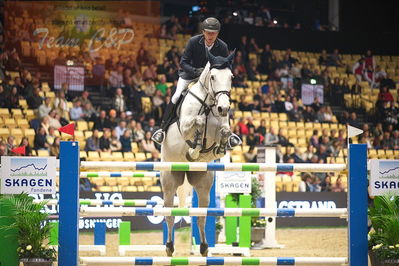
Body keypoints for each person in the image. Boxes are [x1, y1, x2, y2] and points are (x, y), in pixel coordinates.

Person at [151, 17, 241, 148]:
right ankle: (162, 130)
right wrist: (195, 71)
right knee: (176, 95)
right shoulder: (193, 41)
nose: (210, 36)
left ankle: (228, 134)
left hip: (210, 79)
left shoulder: (222, 46)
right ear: (203, 32)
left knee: (223, 98)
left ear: (218, 33)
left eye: (214, 33)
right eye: (208, 32)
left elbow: (225, 66)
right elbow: (183, 62)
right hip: (190, 75)